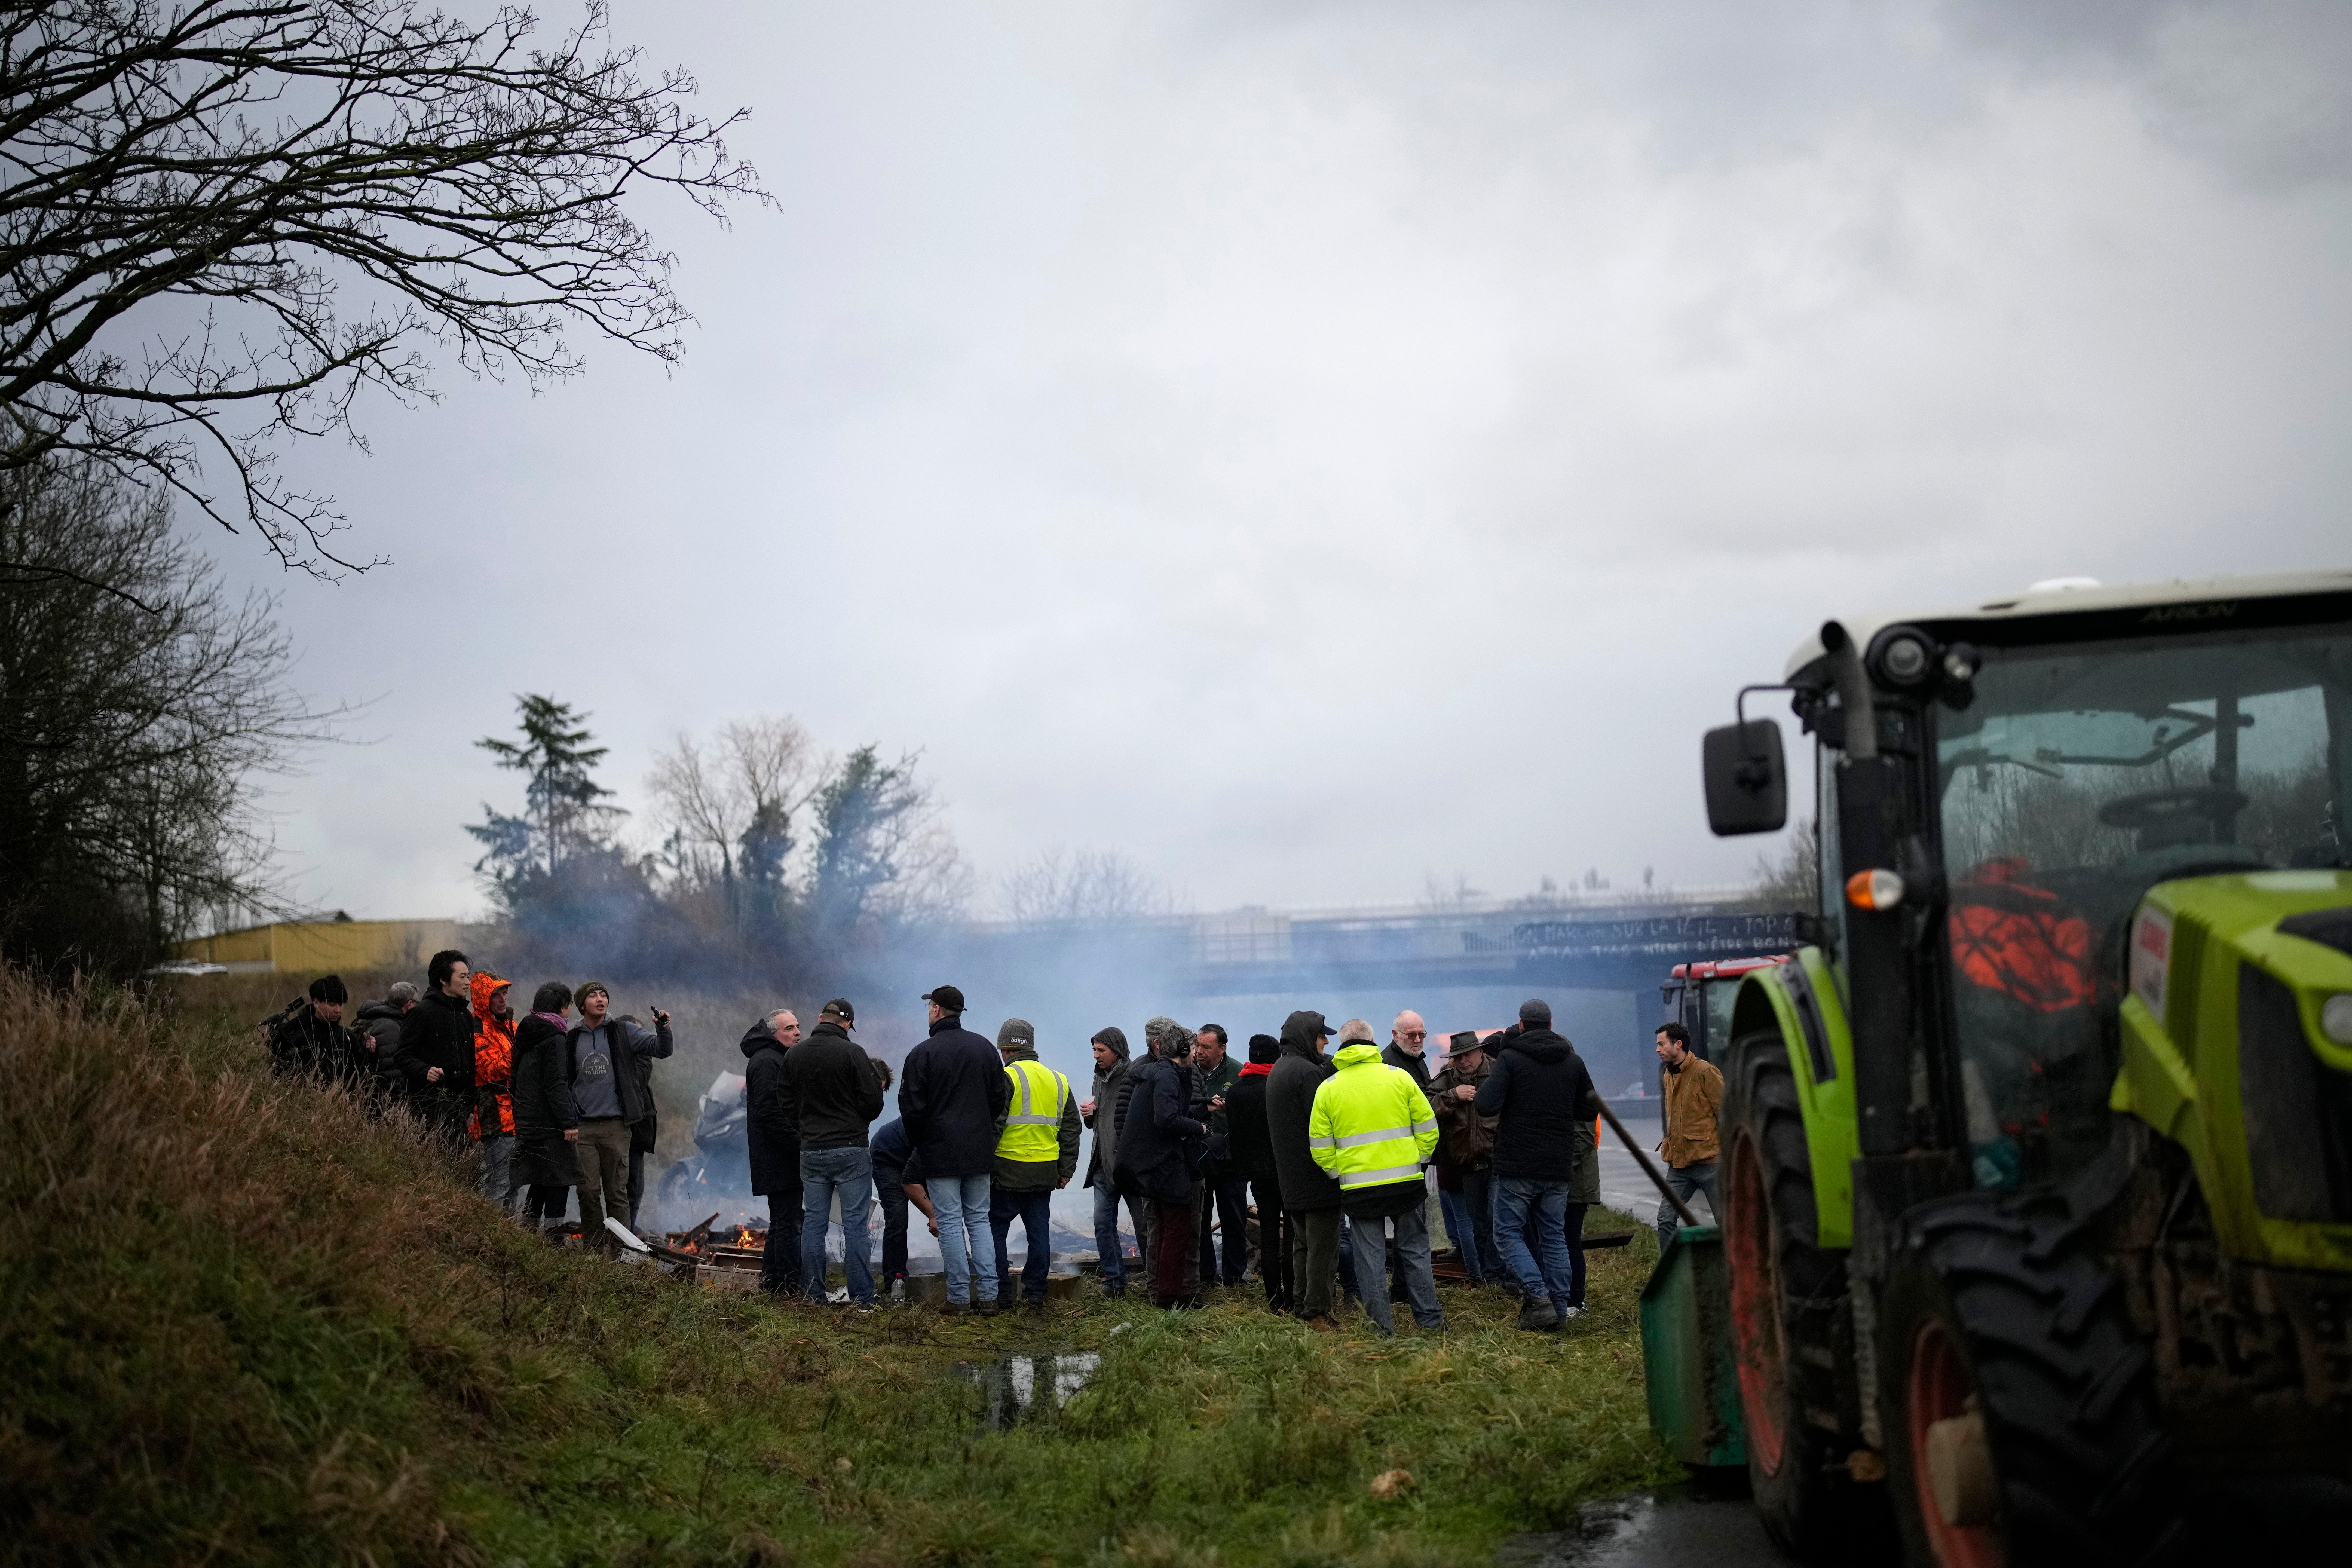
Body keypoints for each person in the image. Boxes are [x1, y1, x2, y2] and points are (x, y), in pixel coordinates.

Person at [1310, 1019, 1445, 1336]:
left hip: (1358, 1189)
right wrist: (1419, 1162)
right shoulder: (1399, 1078)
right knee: (1415, 1251)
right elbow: (1429, 1129)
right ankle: (1431, 1322)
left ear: (1342, 1046)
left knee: (1368, 1259)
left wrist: (1338, 1174)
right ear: (1374, 1042)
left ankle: (1381, 1329)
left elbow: (1320, 1146)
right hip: (1406, 1183)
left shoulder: (1328, 1089)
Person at [1476, 1000, 1601, 1330]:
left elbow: (1486, 1105)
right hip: (1558, 1166)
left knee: (1506, 1233)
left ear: (1520, 1025)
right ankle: (1559, 1312)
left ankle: (1539, 1296)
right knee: (1554, 1237)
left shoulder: (1511, 1059)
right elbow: (1589, 1110)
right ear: (1550, 1025)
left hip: (1518, 1164)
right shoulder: (1573, 1062)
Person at [898, 984, 1012, 1316]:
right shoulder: (985, 1049)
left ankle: (959, 1299)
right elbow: (998, 1098)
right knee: (979, 1221)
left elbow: (912, 1108)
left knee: (949, 1223)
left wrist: (922, 1142)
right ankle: (990, 1298)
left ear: (936, 1010)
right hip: (979, 1151)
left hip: (940, 1153)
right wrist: (981, 1132)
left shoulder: (922, 1053)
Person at [781, 998, 886, 1307]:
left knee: (814, 1224)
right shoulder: (854, 1053)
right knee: (855, 1225)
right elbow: (874, 1102)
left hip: (811, 1152)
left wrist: (806, 1128)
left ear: (819, 1019)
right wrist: (855, 1124)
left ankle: (813, 1297)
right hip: (850, 1151)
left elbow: (785, 1103)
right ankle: (862, 1300)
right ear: (847, 1024)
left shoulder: (794, 1055)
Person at [565, 981, 673, 1257]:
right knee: (588, 1191)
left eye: (604, 996)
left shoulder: (623, 1031)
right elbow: (565, 1081)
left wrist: (662, 1028)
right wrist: (568, 1119)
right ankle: (593, 1249)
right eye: (594, 996)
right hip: (584, 1128)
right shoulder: (573, 1038)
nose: (601, 1000)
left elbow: (661, 1050)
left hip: (616, 1126)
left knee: (617, 1194)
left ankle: (622, 1254)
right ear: (582, 1005)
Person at [1114, 1016, 1208, 1308]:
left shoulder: (1156, 1073)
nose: (1196, 1053)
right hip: (1167, 1167)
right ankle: (1170, 1298)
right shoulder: (1168, 1075)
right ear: (1182, 1049)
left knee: (1167, 1231)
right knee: (1176, 1231)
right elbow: (1167, 1119)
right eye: (1192, 1047)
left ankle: (1165, 1294)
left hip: (1156, 1165)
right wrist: (1201, 1129)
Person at [989, 1017, 1080, 1309]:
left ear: (1005, 1049)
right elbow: (1071, 1129)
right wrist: (1066, 1170)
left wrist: (981, 1166)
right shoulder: (1059, 1080)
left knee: (995, 1231)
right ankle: (1036, 1295)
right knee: (1039, 1233)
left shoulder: (1007, 1077)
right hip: (1045, 1172)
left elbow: (995, 1126)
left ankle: (1002, 1293)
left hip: (1007, 1171)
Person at [1267, 1008, 1346, 1330]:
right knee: (1323, 1250)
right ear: (1306, 1037)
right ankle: (1317, 1312)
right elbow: (1323, 1125)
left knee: (1302, 1245)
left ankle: (1302, 1303)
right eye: (1321, 1035)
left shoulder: (1280, 1069)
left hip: (1291, 1177)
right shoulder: (1308, 1074)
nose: (1326, 1042)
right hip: (1316, 1177)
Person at [1430, 1030, 1505, 1284]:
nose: (1463, 1061)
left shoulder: (1499, 1072)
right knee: (1479, 1227)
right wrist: (1454, 1096)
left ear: (1481, 1052)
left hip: (1498, 1163)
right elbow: (1424, 1106)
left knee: (1499, 1222)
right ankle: (1488, 1278)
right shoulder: (1447, 1080)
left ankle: (1500, 1275)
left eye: (1468, 1055)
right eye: (1458, 1056)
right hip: (1468, 1165)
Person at [510, 982, 580, 1241]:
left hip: (528, 1119)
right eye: (570, 1004)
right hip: (551, 1122)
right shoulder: (555, 1038)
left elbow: (514, 1076)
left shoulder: (526, 1031)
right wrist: (568, 1123)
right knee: (561, 1179)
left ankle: (527, 1232)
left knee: (540, 1178)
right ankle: (554, 1239)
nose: (570, 1009)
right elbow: (556, 1084)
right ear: (563, 1008)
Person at [1081, 1026, 1147, 1297]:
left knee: (1144, 1226)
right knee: (1102, 1224)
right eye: (1094, 1050)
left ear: (1117, 1052)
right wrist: (1089, 1115)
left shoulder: (1135, 1077)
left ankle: (1156, 1281)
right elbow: (1099, 1122)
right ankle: (1114, 1282)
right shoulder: (1099, 1078)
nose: (1096, 1056)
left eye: (1101, 1051)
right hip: (1102, 1164)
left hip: (1131, 1166)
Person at [1226, 1033, 1290, 1312]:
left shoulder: (1236, 1091)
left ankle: (1274, 1301)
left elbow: (1236, 1137)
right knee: (1290, 1237)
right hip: (1286, 1172)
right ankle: (1292, 1298)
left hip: (1258, 1175)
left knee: (1267, 1238)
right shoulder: (1280, 1086)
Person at [742, 1008, 803, 1296]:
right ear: (773, 1034)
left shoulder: (777, 1058)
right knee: (787, 1223)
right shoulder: (767, 1061)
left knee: (783, 1222)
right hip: (778, 1157)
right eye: (789, 1029)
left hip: (779, 1155)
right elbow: (771, 1114)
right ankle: (788, 1287)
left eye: (797, 1027)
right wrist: (799, 1145)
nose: (797, 1032)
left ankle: (773, 1285)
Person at [397, 950, 478, 1145]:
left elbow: (470, 1065)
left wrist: (470, 1108)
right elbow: (402, 1056)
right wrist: (425, 1070)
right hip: (428, 1113)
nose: (468, 982)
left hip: (460, 1112)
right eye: (462, 977)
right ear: (443, 979)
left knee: (463, 1172)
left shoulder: (465, 1016)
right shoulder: (421, 1014)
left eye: (469, 976)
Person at [1655, 1022, 1723, 1247]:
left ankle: (1731, 1275)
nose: (1658, 1049)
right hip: (1678, 1166)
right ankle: (1670, 1279)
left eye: (1662, 1044)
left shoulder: (1705, 1072)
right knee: (1665, 1220)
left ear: (1678, 1044)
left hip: (1710, 1163)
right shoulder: (1668, 1075)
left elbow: (1726, 1114)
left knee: (1727, 1224)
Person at [1192, 1023, 1247, 1288]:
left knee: (1234, 1220)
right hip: (1199, 1160)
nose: (1199, 1052)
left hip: (1231, 1162)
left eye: (1206, 1047)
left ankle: (1234, 1278)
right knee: (1201, 1219)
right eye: (1197, 1046)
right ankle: (1206, 1277)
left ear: (1223, 1048)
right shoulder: (1187, 1070)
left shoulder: (1238, 1073)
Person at [468, 970, 520, 1212]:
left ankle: (509, 1236)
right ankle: (492, 1236)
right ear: (482, 999)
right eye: (496, 995)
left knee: (513, 1185)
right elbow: (490, 1071)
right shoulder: (476, 1029)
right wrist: (520, 1050)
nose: (503, 999)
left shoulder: (510, 1025)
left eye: (504, 993)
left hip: (516, 1118)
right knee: (496, 1186)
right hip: (494, 1121)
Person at [868, 1112, 930, 1304]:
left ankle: (963, 1268)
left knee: (948, 1212)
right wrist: (933, 1215)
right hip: (888, 1156)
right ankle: (895, 1285)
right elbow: (910, 1184)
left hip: (918, 1156)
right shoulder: (931, 1127)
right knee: (898, 1217)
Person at [267, 974, 367, 1085]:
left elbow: (360, 1075)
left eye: (341, 1005)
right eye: (332, 1005)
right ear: (316, 1003)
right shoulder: (295, 1033)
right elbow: (279, 1074)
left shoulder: (347, 1037)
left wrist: (369, 1050)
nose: (338, 1010)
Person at [352, 979, 418, 1096]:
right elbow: (391, 1076)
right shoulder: (390, 1029)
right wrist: (400, 1104)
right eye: (418, 1003)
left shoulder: (384, 1021)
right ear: (410, 1004)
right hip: (386, 1104)